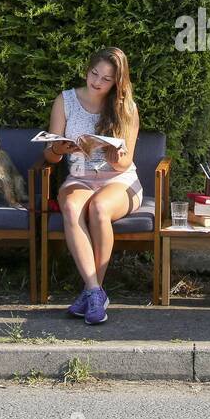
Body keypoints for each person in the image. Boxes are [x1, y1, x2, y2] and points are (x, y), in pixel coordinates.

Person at [42, 46, 140, 324]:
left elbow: (125, 163)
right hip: (79, 177)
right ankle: (95, 291)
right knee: (72, 208)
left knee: (98, 208)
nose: (96, 81)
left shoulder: (126, 109)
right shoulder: (66, 100)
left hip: (119, 180)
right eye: (94, 73)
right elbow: (49, 155)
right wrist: (59, 149)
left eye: (106, 79)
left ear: (117, 82)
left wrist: (114, 155)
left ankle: (90, 292)